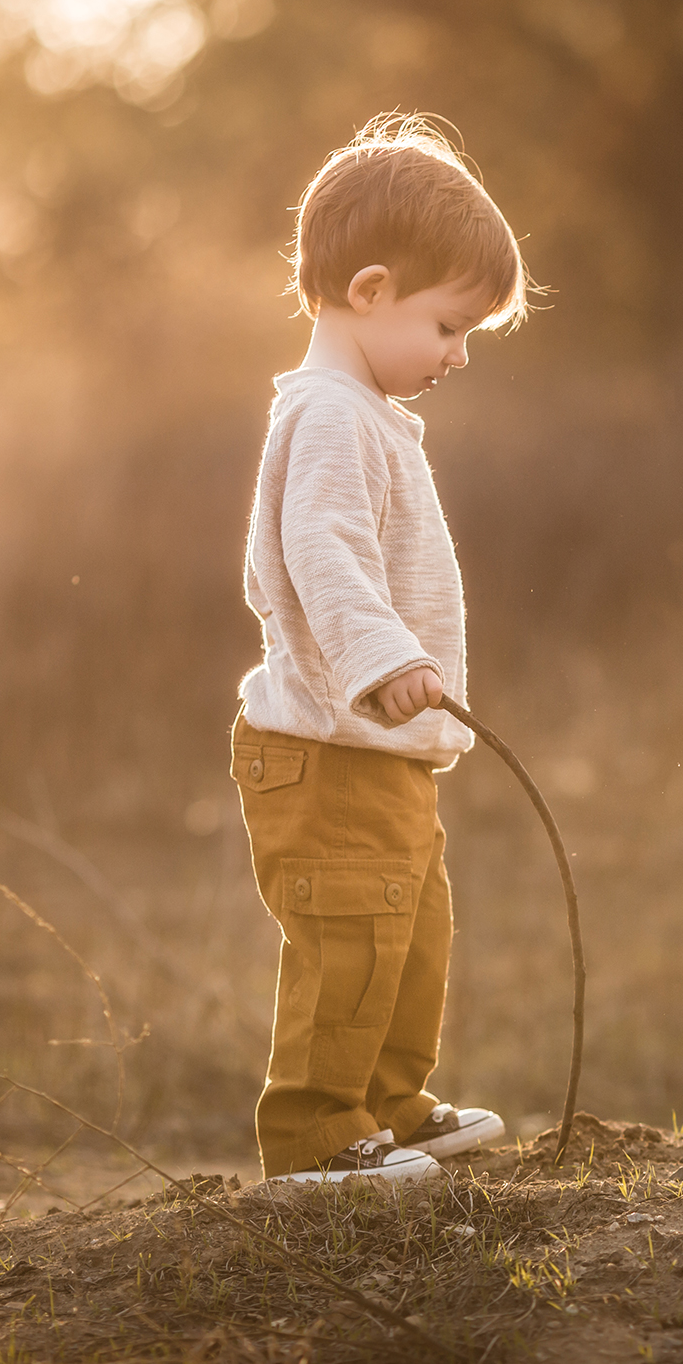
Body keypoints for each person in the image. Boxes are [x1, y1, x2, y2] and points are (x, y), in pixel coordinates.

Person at [228, 115, 528, 1182]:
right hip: (329, 747)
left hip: (382, 754)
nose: (455, 356)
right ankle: (315, 1130)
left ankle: (387, 1103)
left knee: (411, 940)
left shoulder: (367, 414)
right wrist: (381, 660)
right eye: (449, 327)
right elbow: (322, 551)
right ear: (369, 290)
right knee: (350, 942)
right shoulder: (332, 416)